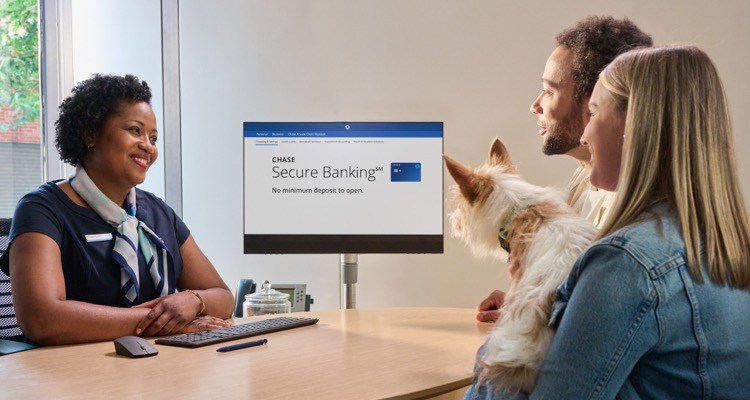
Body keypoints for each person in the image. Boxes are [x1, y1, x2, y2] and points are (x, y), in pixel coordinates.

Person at [466, 44, 750, 399]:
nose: (584, 136)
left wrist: (517, 321)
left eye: (594, 112)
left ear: (634, 126)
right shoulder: (723, 240)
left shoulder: (625, 263)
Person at [0, 74, 235, 345]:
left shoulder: (159, 213)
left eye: (154, 138)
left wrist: (194, 300)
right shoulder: (42, 209)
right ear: (90, 134)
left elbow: (223, 297)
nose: (148, 146)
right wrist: (164, 322)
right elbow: (42, 319)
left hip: (158, 367)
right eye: (135, 130)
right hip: (73, 375)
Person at [476, 16, 652, 323]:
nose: (535, 105)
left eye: (549, 91)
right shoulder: (584, 179)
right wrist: (531, 303)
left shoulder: (634, 220)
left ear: (595, 102)